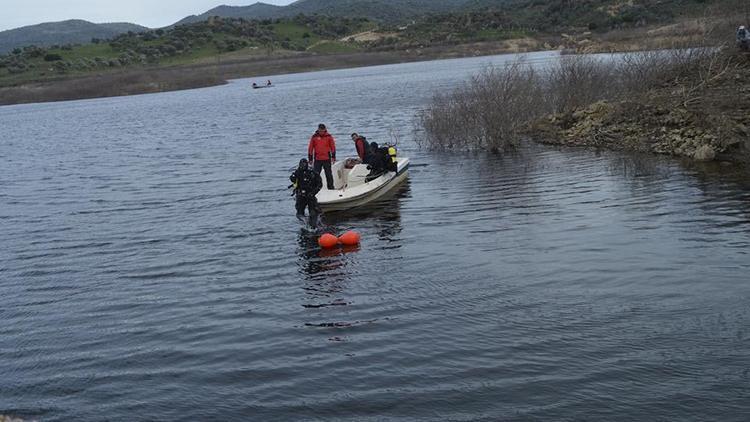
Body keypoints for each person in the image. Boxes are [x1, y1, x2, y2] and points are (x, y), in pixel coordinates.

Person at [289, 158, 323, 223]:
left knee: (314, 213)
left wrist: (313, 193)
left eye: (303, 165)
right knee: (299, 213)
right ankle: (306, 221)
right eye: (301, 165)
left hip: (310, 195)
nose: (302, 166)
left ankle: (314, 225)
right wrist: (293, 177)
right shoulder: (298, 172)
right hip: (301, 195)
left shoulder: (313, 173)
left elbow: (319, 184)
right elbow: (292, 179)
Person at [308, 123, 336, 190]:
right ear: (318, 129)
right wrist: (310, 159)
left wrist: (333, 157)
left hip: (327, 158)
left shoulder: (329, 136)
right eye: (320, 131)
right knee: (315, 175)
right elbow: (310, 148)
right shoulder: (314, 137)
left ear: (325, 130)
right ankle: (314, 187)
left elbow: (333, 147)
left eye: (322, 131)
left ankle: (331, 188)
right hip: (318, 159)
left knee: (328, 174)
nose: (321, 132)